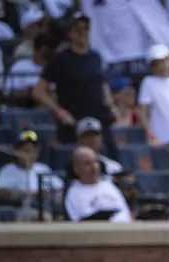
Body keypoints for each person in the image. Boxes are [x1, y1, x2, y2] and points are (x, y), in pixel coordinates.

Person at [32, 12, 118, 160]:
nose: (83, 33)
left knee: (111, 159)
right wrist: (60, 112)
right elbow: (38, 91)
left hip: (100, 119)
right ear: (70, 33)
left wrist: (111, 105)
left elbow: (102, 83)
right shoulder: (60, 59)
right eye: (78, 29)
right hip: (74, 122)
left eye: (86, 29)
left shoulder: (95, 56)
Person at [64, 146, 132, 222]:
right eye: (87, 164)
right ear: (76, 168)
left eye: (96, 162)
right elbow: (79, 223)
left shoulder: (109, 186)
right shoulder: (74, 194)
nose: (94, 167)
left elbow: (125, 212)